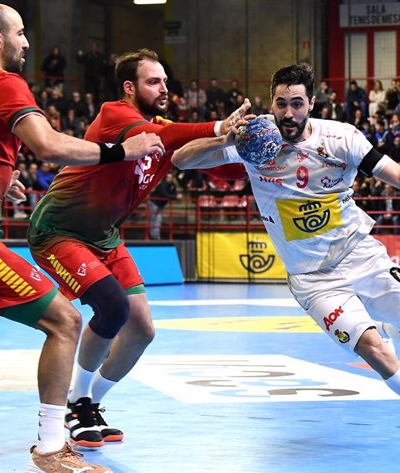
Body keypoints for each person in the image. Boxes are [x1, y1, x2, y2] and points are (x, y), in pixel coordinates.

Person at [171, 63, 400, 465]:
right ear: (271, 103)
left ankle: (379, 318)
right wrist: (222, 137)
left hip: (360, 252)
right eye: (281, 103)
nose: (288, 113)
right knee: (375, 351)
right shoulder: (255, 140)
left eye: (296, 103)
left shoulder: (341, 137)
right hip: (313, 279)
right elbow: (181, 160)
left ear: (311, 103)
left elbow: (397, 174)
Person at [0, 4, 163, 472]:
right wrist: (119, 150)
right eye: (21, 33)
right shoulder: (4, 83)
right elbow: (48, 145)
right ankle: (51, 448)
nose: (26, 42)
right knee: (64, 321)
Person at [27, 47, 248, 448]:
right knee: (112, 308)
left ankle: (88, 402)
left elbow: (186, 155)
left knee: (142, 330)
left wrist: (249, 149)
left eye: (164, 80)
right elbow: (168, 137)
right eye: (153, 81)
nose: (164, 87)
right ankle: (76, 405)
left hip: (105, 235)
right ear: (130, 88)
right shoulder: (116, 115)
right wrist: (217, 126)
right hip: (59, 230)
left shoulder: (162, 128)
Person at [149, 171, 181, 239]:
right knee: (153, 219)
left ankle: (156, 235)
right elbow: (165, 194)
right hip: (154, 203)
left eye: (171, 177)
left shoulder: (172, 185)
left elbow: (174, 192)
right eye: (168, 177)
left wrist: (176, 196)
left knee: (158, 219)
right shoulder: (163, 184)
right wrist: (175, 197)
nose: (169, 179)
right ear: (166, 178)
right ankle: (152, 235)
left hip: (161, 204)